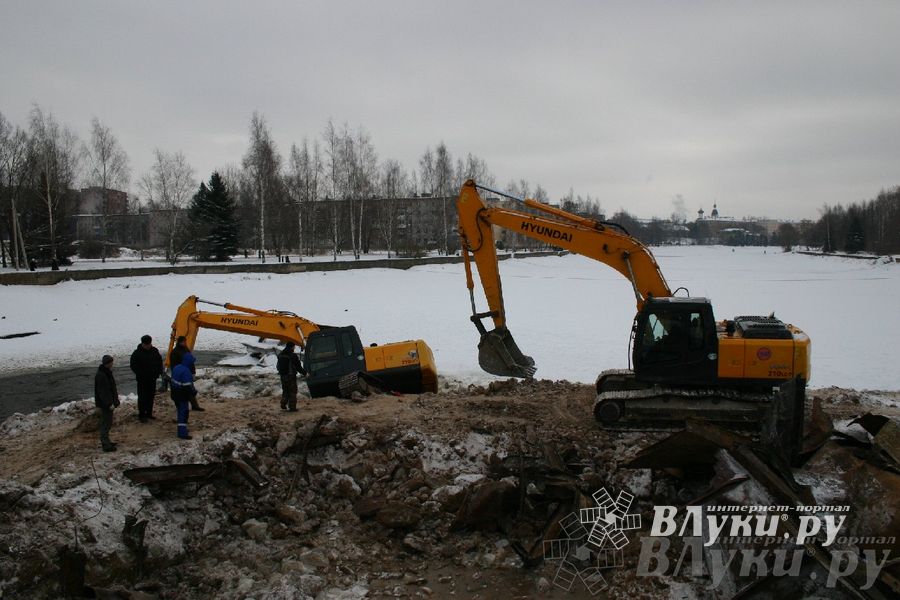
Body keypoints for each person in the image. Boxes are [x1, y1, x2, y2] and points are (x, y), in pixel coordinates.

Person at [130, 334, 164, 423]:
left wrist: (159, 372)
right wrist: (141, 374)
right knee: (142, 397)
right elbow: (133, 366)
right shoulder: (137, 353)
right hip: (142, 380)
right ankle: (142, 415)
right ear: (142, 344)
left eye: (149, 344)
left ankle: (149, 413)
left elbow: (159, 362)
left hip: (152, 379)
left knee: (150, 396)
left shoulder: (154, 351)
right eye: (146, 345)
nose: (148, 346)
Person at [169, 336, 204, 411]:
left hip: (187, 374)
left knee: (190, 390)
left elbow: (190, 361)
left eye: (185, 341)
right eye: (183, 342)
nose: (184, 343)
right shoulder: (175, 352)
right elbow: (173, 365)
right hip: (180, 375)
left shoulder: (186, 350)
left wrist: (193, 372)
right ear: (179, 342)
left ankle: (195, 406)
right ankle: (180, 407)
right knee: (179, 392)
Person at [94, 354, 120, 452]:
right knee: (106, 423)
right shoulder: (102, 375)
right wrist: (109, 404)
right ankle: (105, 444)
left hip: (107, 403)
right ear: (108, 363)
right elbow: (103, 392)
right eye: (111, 362)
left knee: (108, 423)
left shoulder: (105, 372)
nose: (112, 364)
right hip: (106, 405)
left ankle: (107, 441)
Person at [170, 352, 197, 440]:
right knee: (183, 412)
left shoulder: (177, 367)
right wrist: (193, 393)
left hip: (174, 393)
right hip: (181, 395)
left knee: (179, 410)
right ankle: (182, 433)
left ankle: (181, 428)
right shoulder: (186, 371)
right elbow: (187, 387)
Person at [276, 342, 307, 411]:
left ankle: (283, 404)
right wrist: (305, 373)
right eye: (294, 347)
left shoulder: (281, 355)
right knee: (292, 391)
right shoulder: (292, 356)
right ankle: (292, 407)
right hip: (290, 376)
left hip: (283, 376)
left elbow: (278, 366)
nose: (294, 348)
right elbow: (298, 367)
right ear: (292, 347)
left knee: (285, 390)